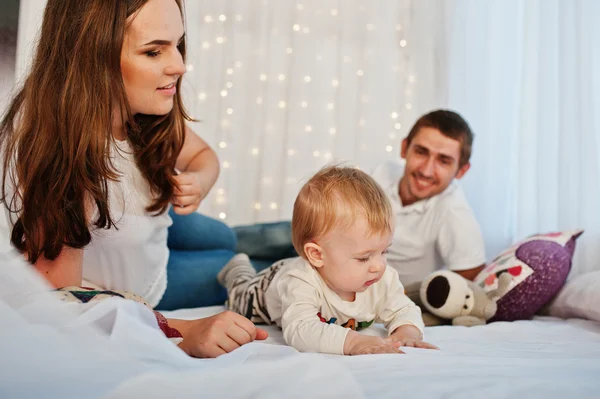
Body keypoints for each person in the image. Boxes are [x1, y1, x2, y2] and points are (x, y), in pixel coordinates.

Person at [0, 0, 266, 358]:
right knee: (256, 266)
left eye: (177, 44)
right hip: (148, 278)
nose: (179, 66)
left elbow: (204, 157)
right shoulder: (58, 153)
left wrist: (200, 181)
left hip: (152, 228)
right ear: (92, 54)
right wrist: (181, 330)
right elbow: (58, 305)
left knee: (227, 236)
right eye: (154, 51)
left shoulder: (140, 112)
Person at [218, 166, 438, 355]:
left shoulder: (381, 279)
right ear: (317, 255)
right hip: (263, 291)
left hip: (295, 269)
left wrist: (407, 332)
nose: (379, 266)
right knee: (239, 293)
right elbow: (301, 329)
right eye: (363, 258)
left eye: (384, 251)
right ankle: (236, 266)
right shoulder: (300, 281)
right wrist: (352, 342)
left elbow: (403, 309)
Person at [371, 109, 486, 288]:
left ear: (461, 170)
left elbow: (472, 284)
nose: (426, 170)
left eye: (444, 161)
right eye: (421, 152)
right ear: (404, 148)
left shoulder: (454, 212)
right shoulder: (380, 174)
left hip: (392, 301)